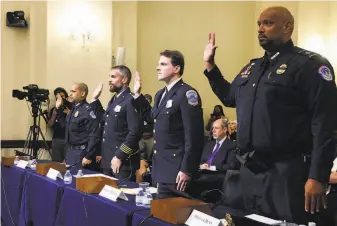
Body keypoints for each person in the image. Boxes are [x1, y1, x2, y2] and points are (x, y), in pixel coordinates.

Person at [203, 6, 337, 224]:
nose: (260, 29)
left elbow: (325, 124)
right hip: (249, 172)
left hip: (286, 174)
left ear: (287, 27)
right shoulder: (253, 68)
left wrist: (318, 176)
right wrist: (210, 67)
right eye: (258, 24)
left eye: (268, 23)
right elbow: (229, 97)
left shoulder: (309, 66)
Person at [132, 50, 205, 199]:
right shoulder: (160, 94)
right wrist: (138, 95)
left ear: (177, 68)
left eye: (163, 64)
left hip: (177, 170)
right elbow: (151, 118)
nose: (157, 68)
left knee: (175, 217)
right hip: (160, 167)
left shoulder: (187, 93)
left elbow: (194, 136)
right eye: (158, 64)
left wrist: (187, 169)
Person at [91, 65, 143, 181]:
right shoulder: (114, 100)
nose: (109, 80)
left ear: (124, 80)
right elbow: (105, 121)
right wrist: (95, 100)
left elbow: (135, 132)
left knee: (123, 196)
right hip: (108, 158)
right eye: (109, 77)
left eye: (113, 77)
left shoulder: (131, 100)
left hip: (122, 162)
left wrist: (120, 155)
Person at [191, 118, 238, 202]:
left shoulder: (232, 145)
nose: (213, 130)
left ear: (224, 129)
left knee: (195, 181)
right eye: (213, 128)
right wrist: (200, 166)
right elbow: (201, 161)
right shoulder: (209, 145)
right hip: (202, 172)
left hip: (218, 175)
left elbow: (232, 166)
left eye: (216, 128)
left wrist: (212, 167)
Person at [65, 83, 101, 170]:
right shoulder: (74, 109)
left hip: (82, 153)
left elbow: (94, 135)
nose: (70, 94)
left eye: (73, 91)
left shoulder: (87, 110)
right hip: (71, 151)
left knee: (79, 181)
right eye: (70, 91)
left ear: (82, 94)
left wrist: (88, 156)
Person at [48, 87, 72, 162]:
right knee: (56, 163)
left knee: (69, 163)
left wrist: (69, 113)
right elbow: (50, 125)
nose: (61, 99)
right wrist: (54, 114)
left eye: (62, 96)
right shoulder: (54, 109)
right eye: (58, 97)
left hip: (69, 140)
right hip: (57, 139)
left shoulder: (72, 107)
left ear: (66, 96)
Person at [136, 94, 154, 183]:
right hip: (140, 137)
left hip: (151, 136)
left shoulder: (153, 111)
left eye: (149, 100)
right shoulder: (137, 111)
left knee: (150, 157)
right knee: (141, 159)